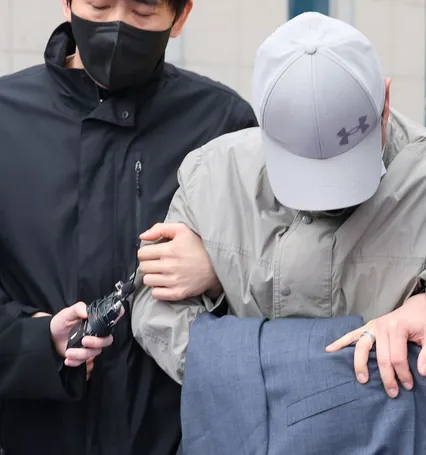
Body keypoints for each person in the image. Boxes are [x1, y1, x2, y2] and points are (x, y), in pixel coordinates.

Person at [131, 12, 426, 455]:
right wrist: (371, 364)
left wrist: (245, 360)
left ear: (385, 100)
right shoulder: (213, 174)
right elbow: (154, 313)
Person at [0, 0, 257, 453]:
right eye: (100, 4)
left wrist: (220, 266)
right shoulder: (7, 118)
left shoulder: (222, 125)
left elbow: (290, 281)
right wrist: (36, 343)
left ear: (180, 16)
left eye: (142, 10)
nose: (117, 26)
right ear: (68, 3)